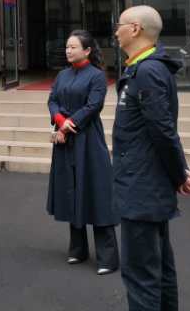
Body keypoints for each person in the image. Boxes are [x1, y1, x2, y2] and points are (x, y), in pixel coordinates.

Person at [112, 5, 190, 311]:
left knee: (141, 275)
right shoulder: (143, 69)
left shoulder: (148, 71)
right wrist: (179, 171)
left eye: (120, 25)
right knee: (157, 269)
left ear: (135, 29)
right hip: (145, 183)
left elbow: (162, 130)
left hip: (142, 186)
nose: (116, 31)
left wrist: (179, 173)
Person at [47, 30, 119, 275]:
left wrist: (69, 124)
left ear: (87, 50)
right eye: (67, 47)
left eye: (73, 47)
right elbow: (52, 100)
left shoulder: (97, 76)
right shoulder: (62, 75)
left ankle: (108, 258)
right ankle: (77, 250)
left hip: (88, 140)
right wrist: (60, 121)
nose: (68, 51)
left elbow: (93, 106)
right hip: (65, 140)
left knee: (96, 193)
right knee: (71, 190)